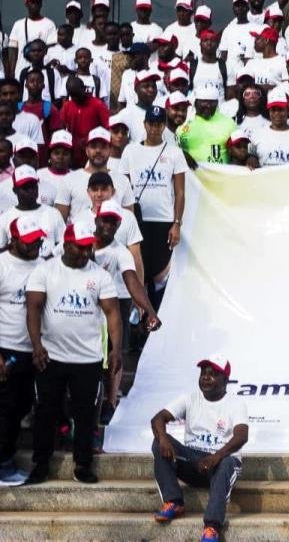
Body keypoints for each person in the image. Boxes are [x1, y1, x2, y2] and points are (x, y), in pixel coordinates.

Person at [23, 220, 122, 485]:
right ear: (66, 245)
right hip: (51, 356)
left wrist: (116, 350)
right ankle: (40, 464)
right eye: (79, 248)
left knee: (85, 414)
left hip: (87, 358)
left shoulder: (99, 275)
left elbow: (113, 313)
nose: (85, 253)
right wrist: (36, 346)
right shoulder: (45, 271)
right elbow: (33, 309)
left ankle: (83, 465)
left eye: (88, 247)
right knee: (45, 412)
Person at [150, 355, 249, 542]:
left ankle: (211, 527)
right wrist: (163, 438)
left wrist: (216, 457)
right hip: (194, 462)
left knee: (228, 461)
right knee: (159, 442)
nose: (205, 377)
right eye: (203, 373)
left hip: (221, 465)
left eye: (212, 374)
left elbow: (241, 435)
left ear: (225, 380)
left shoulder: (236, 403)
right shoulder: (189, 399)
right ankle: (174, 502)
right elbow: (158, 419)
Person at [118, 106, 187, 309]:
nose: (155, 128)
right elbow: (123, 187)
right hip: (137, 220)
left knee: (159, 272)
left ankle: (155, 318)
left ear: (164, 125)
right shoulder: (130, 151)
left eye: (159, 124)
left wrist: (177, 223)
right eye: (151, 123)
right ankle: (138, 319)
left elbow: (180, 192)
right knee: (138, 271)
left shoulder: (174, 153)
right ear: (145, 124)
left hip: (163, 221)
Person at [0, 217, 46, 484]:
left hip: (33, 350)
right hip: (6, 348)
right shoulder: (3, 265)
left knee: (20, 407)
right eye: (29, 242)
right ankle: (3, 463)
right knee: (5, 409)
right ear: (13, 240)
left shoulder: (42, 266)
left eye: (38, 240)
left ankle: (7, 458)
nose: (35, 245)